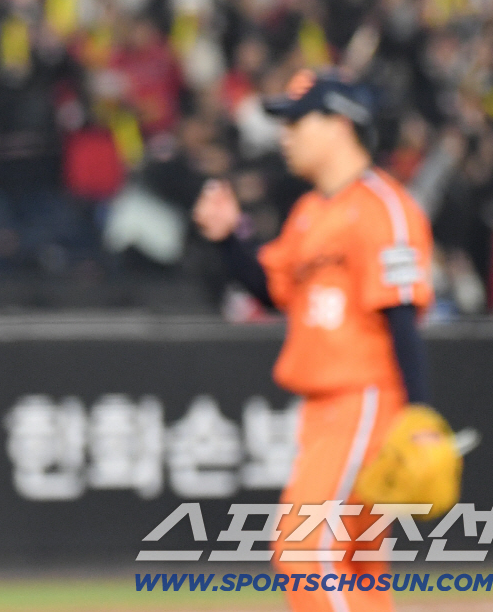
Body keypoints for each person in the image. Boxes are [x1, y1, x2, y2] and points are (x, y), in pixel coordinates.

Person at [192, 69, 433, 612]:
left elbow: (400, 315)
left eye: (297, 120)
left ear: (339, 123)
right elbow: (271, 286)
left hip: (366, 399)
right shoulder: (309, 213)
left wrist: (417, 416)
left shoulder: (381, 207)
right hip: (326, 410)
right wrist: (232, 235)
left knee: (302, 550)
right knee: (356, 565)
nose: (286, 134)